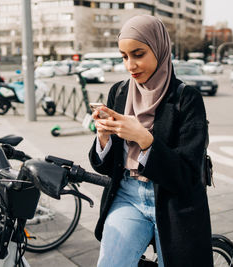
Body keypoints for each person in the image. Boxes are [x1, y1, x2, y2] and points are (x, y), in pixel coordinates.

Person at [89, 15, 213, 267]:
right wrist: (103, 138)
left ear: (159, 49)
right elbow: (106, 167)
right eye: (124, 56)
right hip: (127, 196)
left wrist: (145, 140)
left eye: (138, 54)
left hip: (173, 204)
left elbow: (187, 176)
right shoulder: (120, 92)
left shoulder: (186, 98)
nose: (130, 65)